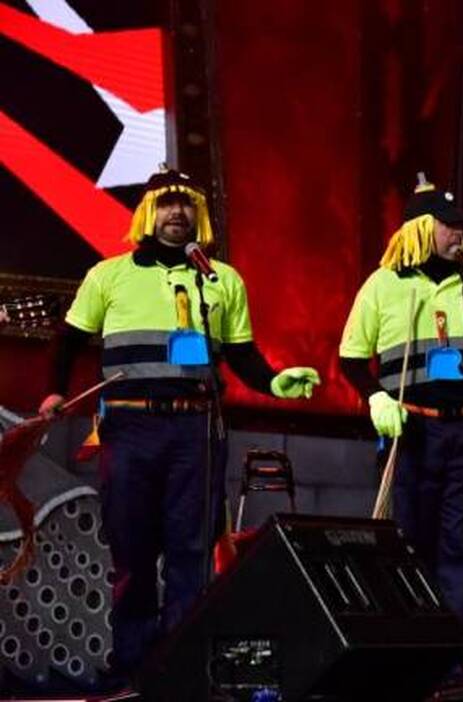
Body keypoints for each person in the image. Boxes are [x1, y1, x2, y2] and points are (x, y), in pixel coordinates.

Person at [39, 167, 321, 678]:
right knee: (133, 550)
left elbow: (242, 354)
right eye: (167, 203)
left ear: (199, 214)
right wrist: (56, 390)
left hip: (196, 430)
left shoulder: (221, 279)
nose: (177, 212)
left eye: (187, 203)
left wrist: (275, 381)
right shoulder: (109, 275)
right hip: (130, 429)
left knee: (191, 551)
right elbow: (68, 339)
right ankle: (133, 667)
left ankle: (181, 667)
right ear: (147, 213)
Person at [338, 178, 463, 629]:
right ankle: (414, 648)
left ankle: (454, 656)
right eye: (449, 225)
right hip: (413, 435)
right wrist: (376, 397)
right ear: (421, 228)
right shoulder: (383, 285)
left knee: (462, 548)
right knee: (410, 543)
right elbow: (350, 358)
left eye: (460, 226)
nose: (459, 234)